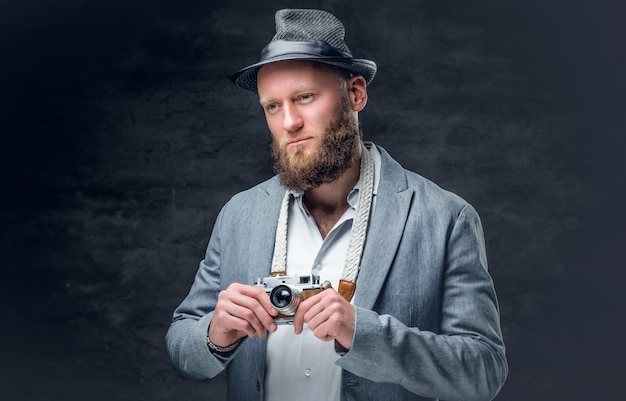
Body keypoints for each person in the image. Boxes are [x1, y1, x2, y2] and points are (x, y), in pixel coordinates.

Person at [166, 8, 507, 401]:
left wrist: (362, 333)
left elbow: (483, 372)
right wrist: (215, 334)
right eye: (272, 106)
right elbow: (182, 349)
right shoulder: (239, 215)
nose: (288, 122)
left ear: (356, 93)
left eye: (304, 97)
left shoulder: (445, 218)